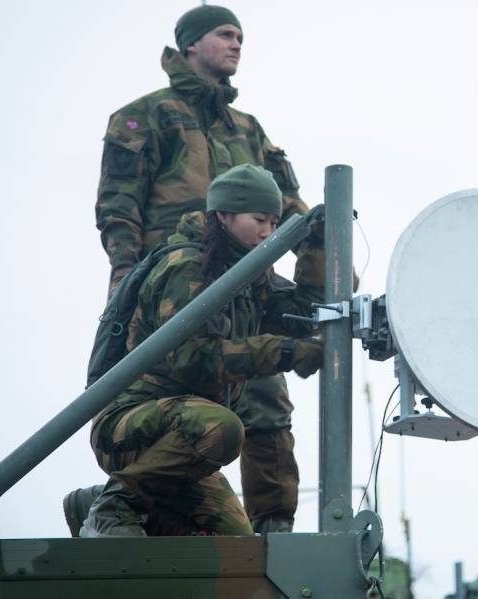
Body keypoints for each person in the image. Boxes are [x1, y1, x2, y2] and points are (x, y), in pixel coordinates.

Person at [70, 5, 310, 534]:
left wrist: (322, 263)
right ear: (191, 45)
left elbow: (290, 211)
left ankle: (274, 528)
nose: (237, 44)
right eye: (226, 34)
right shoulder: (145, 116)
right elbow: (118, 208)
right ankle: (123, 498)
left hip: (244, 286)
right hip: (174, 290)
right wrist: (125, 288)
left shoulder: (248, 130)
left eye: (241, 36)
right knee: (189, 397)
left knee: (267, 399)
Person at [81, 164, 325, 537]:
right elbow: (191, 360)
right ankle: (117, 503)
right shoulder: (186, 267)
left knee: (236, 548)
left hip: (188, 434)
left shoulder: (248, 275)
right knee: (225, 428)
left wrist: (318, 246)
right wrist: (284, 353)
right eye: (259, 219)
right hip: (131, 424)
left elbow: (305, 313)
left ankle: (98, 503)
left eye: (275, 224)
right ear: (224, 216)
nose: (268, 232)